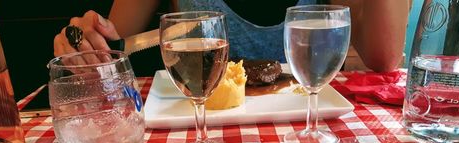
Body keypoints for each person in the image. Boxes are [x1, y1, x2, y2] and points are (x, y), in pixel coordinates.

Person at [53, 0, 411, 73]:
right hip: (196, 135)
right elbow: (116, 48)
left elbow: (383, 57)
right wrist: (86, 40)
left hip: (302, 135)